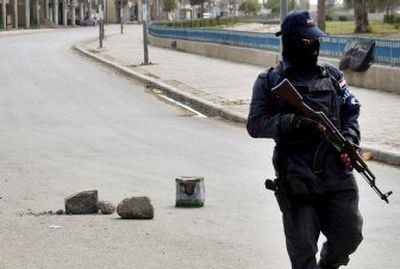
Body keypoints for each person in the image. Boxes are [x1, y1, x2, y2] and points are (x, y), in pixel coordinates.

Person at [246, 10, 363, 269]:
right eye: (308, 42)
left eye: (316, 41)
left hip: (337, 177)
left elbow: (351, 111)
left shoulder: (332, 76)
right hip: (296, 178)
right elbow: (255, 124)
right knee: (302, 255)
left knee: (350, 236)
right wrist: (293, 122)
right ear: (290, 42)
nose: (315, 47)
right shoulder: (269, 81)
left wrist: (349, 139)